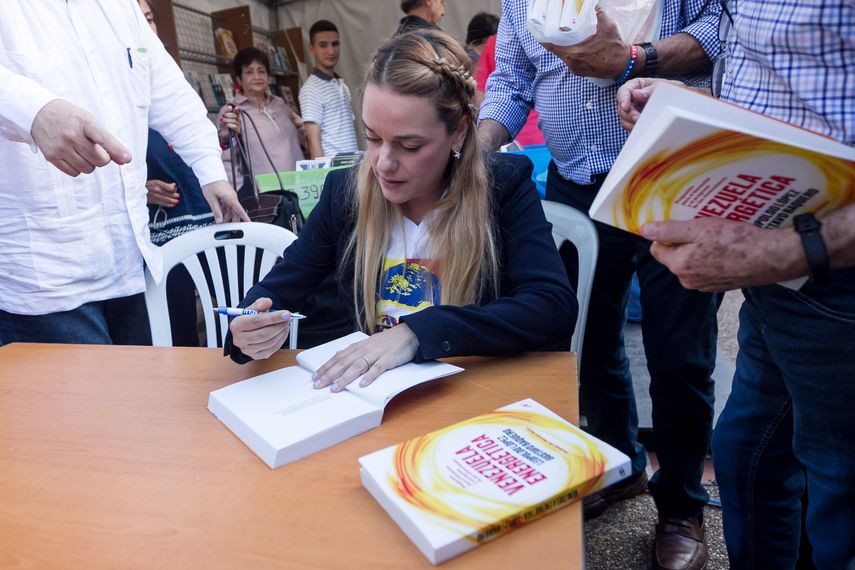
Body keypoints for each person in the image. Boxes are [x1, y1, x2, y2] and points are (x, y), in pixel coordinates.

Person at [478, 2, 722, 569]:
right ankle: (621, 464)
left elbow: (717, 28)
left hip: (670, 173)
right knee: (586, 341)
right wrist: (476, 155)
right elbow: (512, 80)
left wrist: (635, 60)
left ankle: (681, 505)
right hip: (575, 183)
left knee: (679, 354)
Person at [617, 1, 855, 568]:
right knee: (747, 457)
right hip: (780, 282)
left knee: (838, 500)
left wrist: (786, 249)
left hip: (835, 283)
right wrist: (697, 107)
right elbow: (795, 85)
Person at [224, 29, 577, 393]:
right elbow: (281, 287)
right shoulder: (345, 193)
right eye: (373, 138)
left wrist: (416, 332)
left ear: (458, 132)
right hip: (374, 400)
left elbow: (552, 308)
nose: (383, 163)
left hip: (473, 394)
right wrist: (248, 328)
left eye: (409, 146)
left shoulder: (501, 187)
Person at [0, 1, 247, 347]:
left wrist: (210, 172)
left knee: (138, 381)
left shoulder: (120, 7)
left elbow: (167, 89)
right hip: (45, 274)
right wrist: (32, 110)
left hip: (129, 258)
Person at [138, 0, 217, 346]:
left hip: (201, 214)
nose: (145, 28)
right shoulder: (112, 88)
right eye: (136, 20)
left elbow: (190, 136)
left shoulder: (170, 76)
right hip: (160, 230)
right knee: (176, 321)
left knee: (223, 310)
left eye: (150, 19)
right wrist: (141, 188)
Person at [218, 48, 307, 187]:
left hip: (300, 184)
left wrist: (302, 128)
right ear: (239, 79)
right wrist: (243, 190)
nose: (257, 77)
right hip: (266, 192)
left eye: (261, 71)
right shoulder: (233, 111)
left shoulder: (280, 104)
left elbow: (298, 143)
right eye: (249, 72)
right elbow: (227, 159)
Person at [298, 20, 359, 160]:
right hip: (333, 170)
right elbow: (313, 142)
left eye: (335, 44)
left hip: (352, 166)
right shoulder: (311, 89)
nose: (331, 51)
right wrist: (323, 173)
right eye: (323, 45)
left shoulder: (342, 85)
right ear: (311, 49)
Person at [474, 34, 544, 147]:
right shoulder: (498, 40)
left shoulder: (499, 40)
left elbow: (480, 97)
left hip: (509, 139)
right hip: (547, 136)